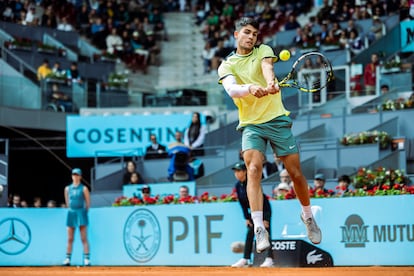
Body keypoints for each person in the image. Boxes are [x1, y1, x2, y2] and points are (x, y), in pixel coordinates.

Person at [218, 17, 322, 251]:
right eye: (247, 32)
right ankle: (259, 228)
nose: (251, 37)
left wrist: (270, 82)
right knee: (253, 168)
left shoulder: (264, 50)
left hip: (277, 119)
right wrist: (250, 88)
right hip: (251, 124)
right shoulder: (226, 65)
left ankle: (307, 216)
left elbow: (267, 67)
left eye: (254, 33)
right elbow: (232, 89)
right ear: (236, 35)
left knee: (295, 172)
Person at [230, 161, 273, 268]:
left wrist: (265, 218)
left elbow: (262, 200)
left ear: (245, 172)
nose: (236, 173)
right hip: (253, 213)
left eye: (239, 171)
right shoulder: (237, 185)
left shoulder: (252, 182)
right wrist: (247, 218)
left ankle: (269, 259)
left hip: (264, 210)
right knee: (250, 234)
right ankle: (246, 258)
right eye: (235, 171)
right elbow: (242, 203)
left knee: (266, 234)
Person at [63, 168, 91, 266]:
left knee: (84, 238)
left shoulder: (84, 188)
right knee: (70, 238)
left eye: (77, 175)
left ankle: (87, 259)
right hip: (71, 213)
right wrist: (71, 209)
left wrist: (83, 212)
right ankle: (67, 259)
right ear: (71, 176)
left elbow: (88, 203)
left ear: (80, 176)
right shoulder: (67, 188)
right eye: (73, 174)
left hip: (81, 213)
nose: (75, 176)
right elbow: (67, 202)